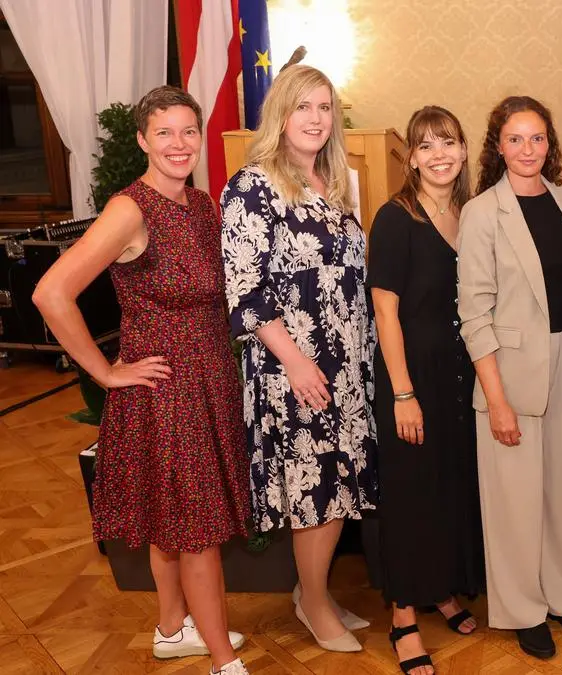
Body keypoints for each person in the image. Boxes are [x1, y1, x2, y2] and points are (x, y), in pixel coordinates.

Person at [33, 86, 251, 675]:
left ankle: (173, 628)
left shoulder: (202, 204)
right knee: (198, 529)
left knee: (171, 519)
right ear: (142, 140)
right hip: (164, 391)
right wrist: (105, 372)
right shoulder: (131, 208)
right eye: (164, 133)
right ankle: (224, 662)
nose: (178, 144)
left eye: (188, 131)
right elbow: (51, 293)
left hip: (208, 381)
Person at [221, 65, 376, 654]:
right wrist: (297, 362)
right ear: (280, 116)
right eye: (302, 107)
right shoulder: (252, 186)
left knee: (337, 482)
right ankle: (312, 602)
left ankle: (315, 592)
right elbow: (247, 291)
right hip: (295, 368)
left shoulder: (335, 185)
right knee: (314, 488)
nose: (315, 119)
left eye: (325, 107)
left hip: (344, 364)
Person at [457, 95, 562, 659]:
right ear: (497, 147)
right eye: (515, 139)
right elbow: (474, 313)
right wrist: (497, 401)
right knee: (515, 500)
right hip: (508, 373)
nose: (527, 149)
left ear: (550, 144)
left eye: (537, 138)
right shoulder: (482, 211)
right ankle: (522, 607)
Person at [367, 105, 485, 674]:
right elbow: (384, 311)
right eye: (427, 145)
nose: (440, 154)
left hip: (461, 372)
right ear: (410, 157)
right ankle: (404, 616)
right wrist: (402, 393)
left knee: (450, 483)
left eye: (450, 143)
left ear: (463, 152)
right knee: (413, 492)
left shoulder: (472, 214)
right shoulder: (396, 218)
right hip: (411, 373)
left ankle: (442, 589)